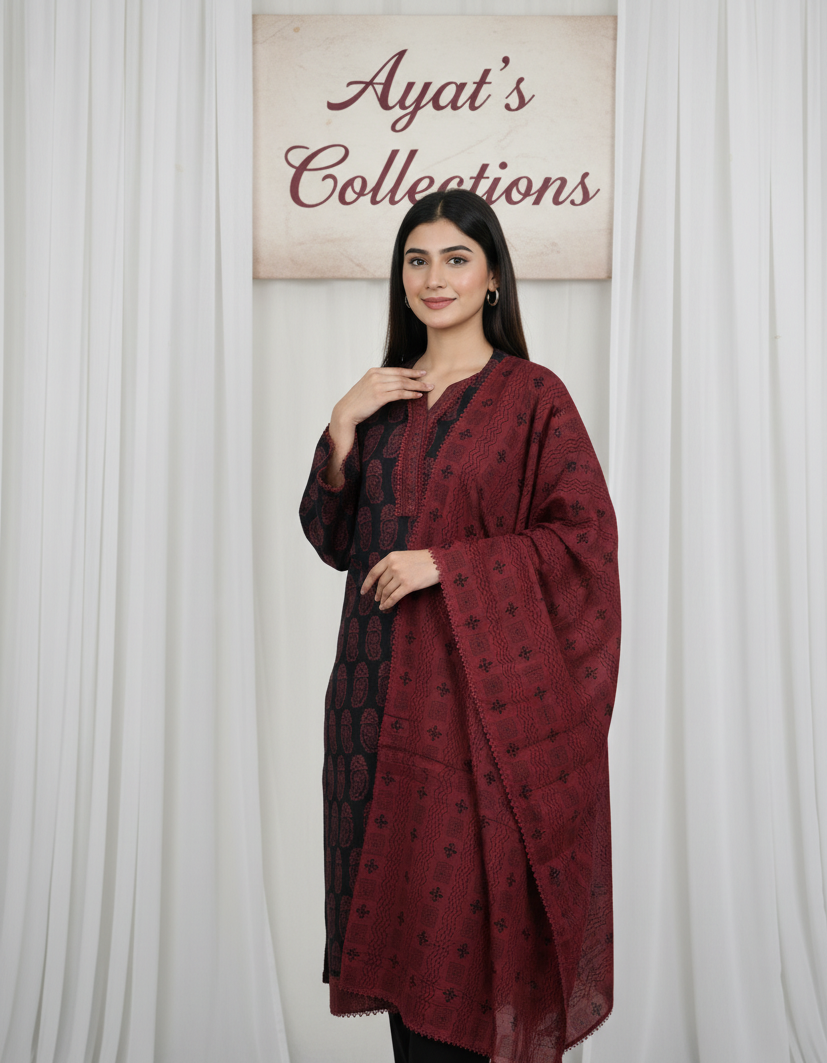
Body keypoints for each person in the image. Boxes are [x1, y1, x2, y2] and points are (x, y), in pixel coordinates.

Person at [299, 189, 621, 1063]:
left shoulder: (532, 397)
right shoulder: (381, 399)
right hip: (371, 712)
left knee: (468, 958)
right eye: (416, 259)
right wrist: (341, 424)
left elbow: (584, 538)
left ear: (491, 279)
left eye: (454, 258)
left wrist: (449, 563)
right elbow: (333, 539)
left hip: (477, 726)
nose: (432, 277)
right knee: (400, 967)